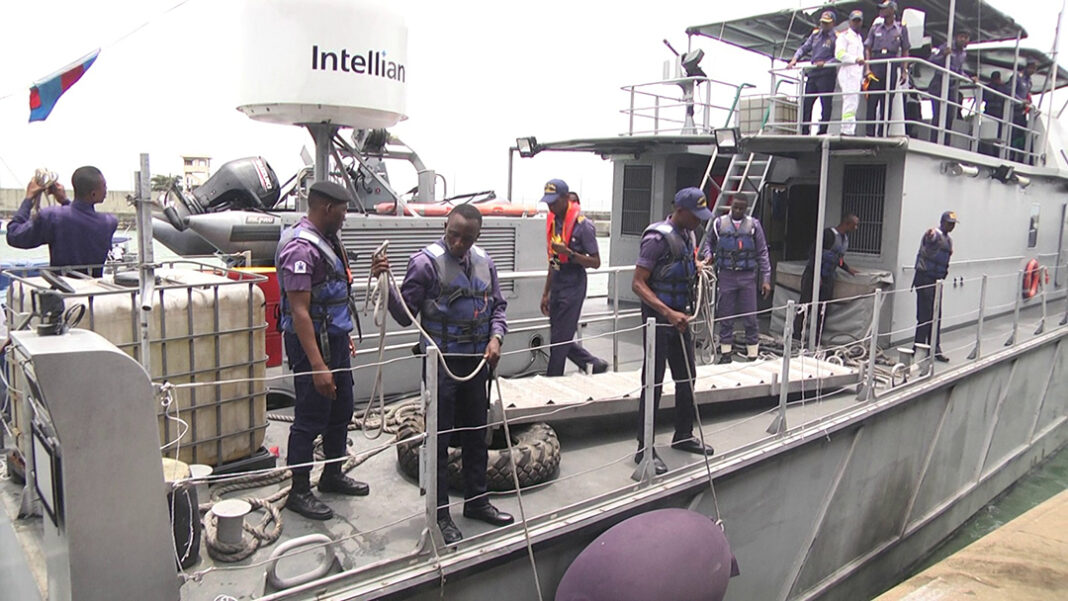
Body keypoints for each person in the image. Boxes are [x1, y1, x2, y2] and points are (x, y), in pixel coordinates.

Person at [371, 203, 514, 544]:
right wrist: (384, 282)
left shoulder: (486, 262)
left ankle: (477, 501)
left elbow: (498, 307)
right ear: (445, 228)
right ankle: (439, 514)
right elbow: (405, 315)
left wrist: (496, 338)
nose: (459, 244)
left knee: (476, 433)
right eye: (453, 235)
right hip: (441, 366)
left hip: (477, 363)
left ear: (477, 236)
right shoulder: (424, 264)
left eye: (467, 239)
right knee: (438, 439)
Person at [276, 181, 369, 520]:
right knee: (310, 416)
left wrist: (343, 335)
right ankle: (299, 490)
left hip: (334, 340)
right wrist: (317, 365)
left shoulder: (328, 240)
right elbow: (300, 311)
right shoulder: (301, 249)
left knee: (341, 408)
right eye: (342, 212)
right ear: (327, 209)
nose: (344, 218)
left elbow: (333, 295)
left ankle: (332, 474)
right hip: (312, 346)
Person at [631, 187, 717, 475]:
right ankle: (644, 448)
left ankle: (683, 434)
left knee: (687, 376)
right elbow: (638, 283)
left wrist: (697, 266)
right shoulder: (656, 240)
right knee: (653, 383)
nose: (699, 221)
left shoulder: (688, 234)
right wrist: (667, 312)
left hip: (681, 319)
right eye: (696, 215)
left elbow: (680, 264)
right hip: (658, 320)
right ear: (680, 211)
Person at [539, 180, 608, 376]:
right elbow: (553, 260)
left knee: (559, 341)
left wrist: (570, 254)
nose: (550, 207)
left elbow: (595, 262)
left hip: (574, 285)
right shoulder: (554, 223)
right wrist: (546, 292)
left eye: (554, 202)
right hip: (558, 282)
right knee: (558, 336)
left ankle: (553, 379)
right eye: (548, 203)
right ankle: (593, 363)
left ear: (565, 199)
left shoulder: (583, 225)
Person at [6, 166, 117, 277]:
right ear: (93, 194)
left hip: (62, 285)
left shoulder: (52, 216)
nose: (106, 189)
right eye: (104, 186)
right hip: (92, 285)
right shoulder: (109, 222)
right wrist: (65, 201)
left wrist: (29, 198)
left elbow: (13, 235)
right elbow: (81, 218)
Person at [701, 196, 772, 363]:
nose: (738, 211)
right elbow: (708, 243)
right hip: (727, 275)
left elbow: (762, 253)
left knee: (750, 317)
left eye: (741, 208)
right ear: (731, 206)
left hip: (747, 276)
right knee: (725, 315)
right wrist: (708, 255)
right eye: (735, 207)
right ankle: (726, 354)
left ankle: (752, 354)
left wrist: (766, 278)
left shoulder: (754, 226)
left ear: (746, 209)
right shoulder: (719, 224)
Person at [794, 214, 860, 346]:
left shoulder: (844, 239)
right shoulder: (828, 234)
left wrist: (847, 269)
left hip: (828, 277)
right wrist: (816, 275)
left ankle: (816, 340)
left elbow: (837, 259)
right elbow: (814, 253)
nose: (856, 228)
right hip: (813, 275)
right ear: (847, 223)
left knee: (822, 309)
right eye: (855, 225)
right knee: (805, 306)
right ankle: (796, 337)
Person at [913, 211, 958, 363]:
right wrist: (929, 234)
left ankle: (934, 348)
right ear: (942, 222)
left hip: (936, 280)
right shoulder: (935, 235)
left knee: (936, 315)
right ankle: (918, 348)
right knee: (925, 315)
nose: (951, 226)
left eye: (953, 224)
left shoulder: (948, 240)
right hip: (925, 278)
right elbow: (929, 237)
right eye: (949, 223)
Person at [788, 11, 839, 135]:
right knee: (807, 103)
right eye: (822, 23)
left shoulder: (836, 37)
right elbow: (804, 48)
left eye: (826, 23)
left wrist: (826, 63)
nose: (823, 25)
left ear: (832, 23)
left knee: (825, 104)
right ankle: (805, 131)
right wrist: (795, 59)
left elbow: (839, 56)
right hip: (813, 73)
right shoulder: (815, 35)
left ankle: (822, 131)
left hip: (827, 74)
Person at [864, 1, 911, 137]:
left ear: (892, 10)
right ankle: (869, 132)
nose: (881, 11)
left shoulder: (901, 28)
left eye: (884, 9)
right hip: (876, 63)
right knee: (872, 99)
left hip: (892, 63)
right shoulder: (875, 28)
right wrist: (867, 68)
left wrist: (904, 70)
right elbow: (867, 48)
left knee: (887, 100)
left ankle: (882, 132)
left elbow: (905, 50)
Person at [927, 30, 975, 145]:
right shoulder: (946, 46)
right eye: (961, 37)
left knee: (949, 115)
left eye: (966, 37)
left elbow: (958, 70)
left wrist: (969, 78)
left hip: (951, 85)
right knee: (938, 114)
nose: (963, 40)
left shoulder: (963, 54)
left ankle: (946, 141)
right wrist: (943, 55)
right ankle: (934, 141)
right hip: (939, 83)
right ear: (956, 37)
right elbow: (931, 60)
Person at [835, 10, 867, 135]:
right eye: (854, 21)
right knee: (850, 101)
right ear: (850, 22)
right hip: (848, 73)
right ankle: (846, 130)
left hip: (856, 75)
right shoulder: (844, 36)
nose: (856, 23)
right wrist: (855, 59)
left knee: (854, 102)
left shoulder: (859, 38)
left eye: (858, 21)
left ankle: (850, 129)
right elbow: (839, 54)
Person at [1011, 60, 1037, 163]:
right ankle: (1010, 155)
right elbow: (1010, 92)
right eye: (1032, 68)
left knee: (1021, 133)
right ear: (1027, 67)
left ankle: (1019, 156)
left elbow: (1027, 94)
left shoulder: (1029, 82)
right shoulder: (1017, 77)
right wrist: (1020, 100)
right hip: (1012, 109)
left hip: (1021, 112)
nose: (1033, 71)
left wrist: (1028, 103)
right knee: (1011, 133)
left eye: (1034, 69)